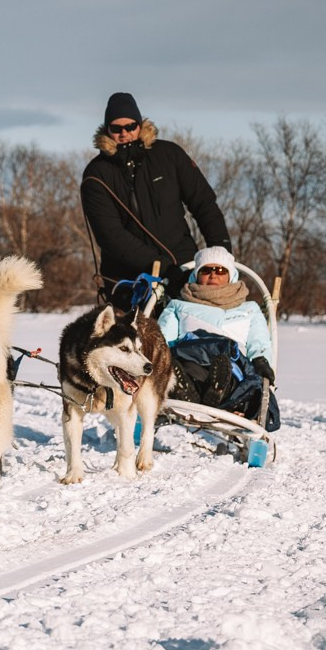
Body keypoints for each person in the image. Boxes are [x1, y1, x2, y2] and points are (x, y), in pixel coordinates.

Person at [81, 92, 232, 310]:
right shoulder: (96, 174)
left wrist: (221, 253)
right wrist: (161, 268)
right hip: (128, 281)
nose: (124, 133)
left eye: (130, 126)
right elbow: (110, 236)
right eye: (116, 128)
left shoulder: (169, 155)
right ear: (107, 131)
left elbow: (203, 203)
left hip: (183, 271)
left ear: (140, 125)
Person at [157, 246, 278, 428]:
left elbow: (258, 342)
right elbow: (163, 342)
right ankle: (188, 389)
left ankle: (215, 389)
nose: (213, 275)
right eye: (206, 270)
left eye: (220, 270)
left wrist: (261, 361)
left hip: (233, 366)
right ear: (196, 275)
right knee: (178, 365)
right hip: (190, 361)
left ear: (231, 275)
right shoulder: (178, 306)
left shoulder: (249, 310)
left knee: (226, 367)